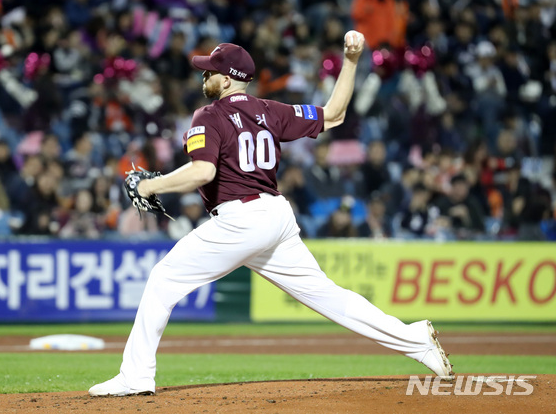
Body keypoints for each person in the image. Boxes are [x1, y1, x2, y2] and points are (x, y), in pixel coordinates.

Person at [89, 34, 453, 397]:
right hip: (275, 217)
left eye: (210, 72)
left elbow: (203, 173)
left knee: (163, 279)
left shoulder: (209, 115)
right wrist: (353, 60)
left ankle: (136, 376)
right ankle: (414, 339)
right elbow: (336, 114)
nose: (204, 77)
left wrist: (152, 187)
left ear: (227, 78)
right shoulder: (272, 110)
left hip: (241, 218)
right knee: (329, 296)